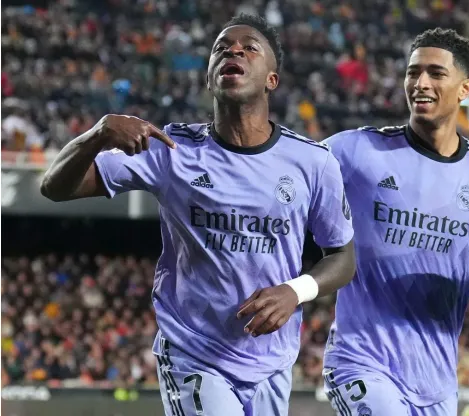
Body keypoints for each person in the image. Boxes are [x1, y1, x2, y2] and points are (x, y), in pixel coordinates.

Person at [40, 14, 356, 416]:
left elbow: (343, 258)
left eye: (249, 47)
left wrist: (295, 291)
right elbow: (55, 186)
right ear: (209, 78)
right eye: (222, 47)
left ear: (271, 80)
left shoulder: (312, 162)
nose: (234, 50)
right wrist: (98, 134)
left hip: (271, 361)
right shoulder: (171, 150)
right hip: (193, 353)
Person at [321, 28, 469, 416]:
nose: (420, 83)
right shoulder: (357, 150)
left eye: (436, 74)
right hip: (361, 362)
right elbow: (280, 167)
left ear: (465, 87)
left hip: (436, 383)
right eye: (413, 72)